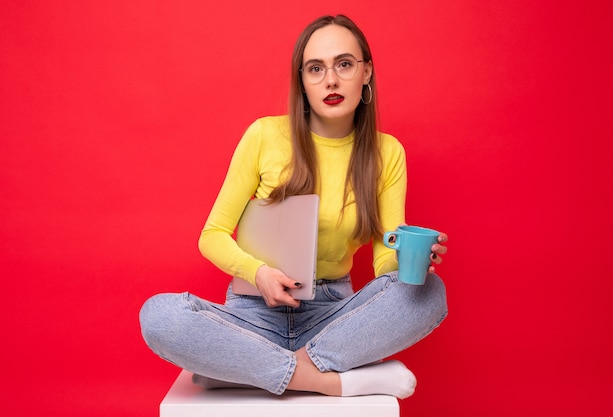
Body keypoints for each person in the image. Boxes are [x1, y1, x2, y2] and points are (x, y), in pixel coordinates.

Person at [140, 14, 448, 399]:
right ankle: (327, 381)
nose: (331, 80)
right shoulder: (265, 136)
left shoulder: (388, 153)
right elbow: (212, 235)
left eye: (345, 64)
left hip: (334, 317)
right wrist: (258, 272)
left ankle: (251, 369)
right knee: (159, 316)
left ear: (366, 72)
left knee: (428, 292)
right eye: (315, 69)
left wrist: (409, 264)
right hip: (254, 313)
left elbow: (385, 259)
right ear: (302, 81)